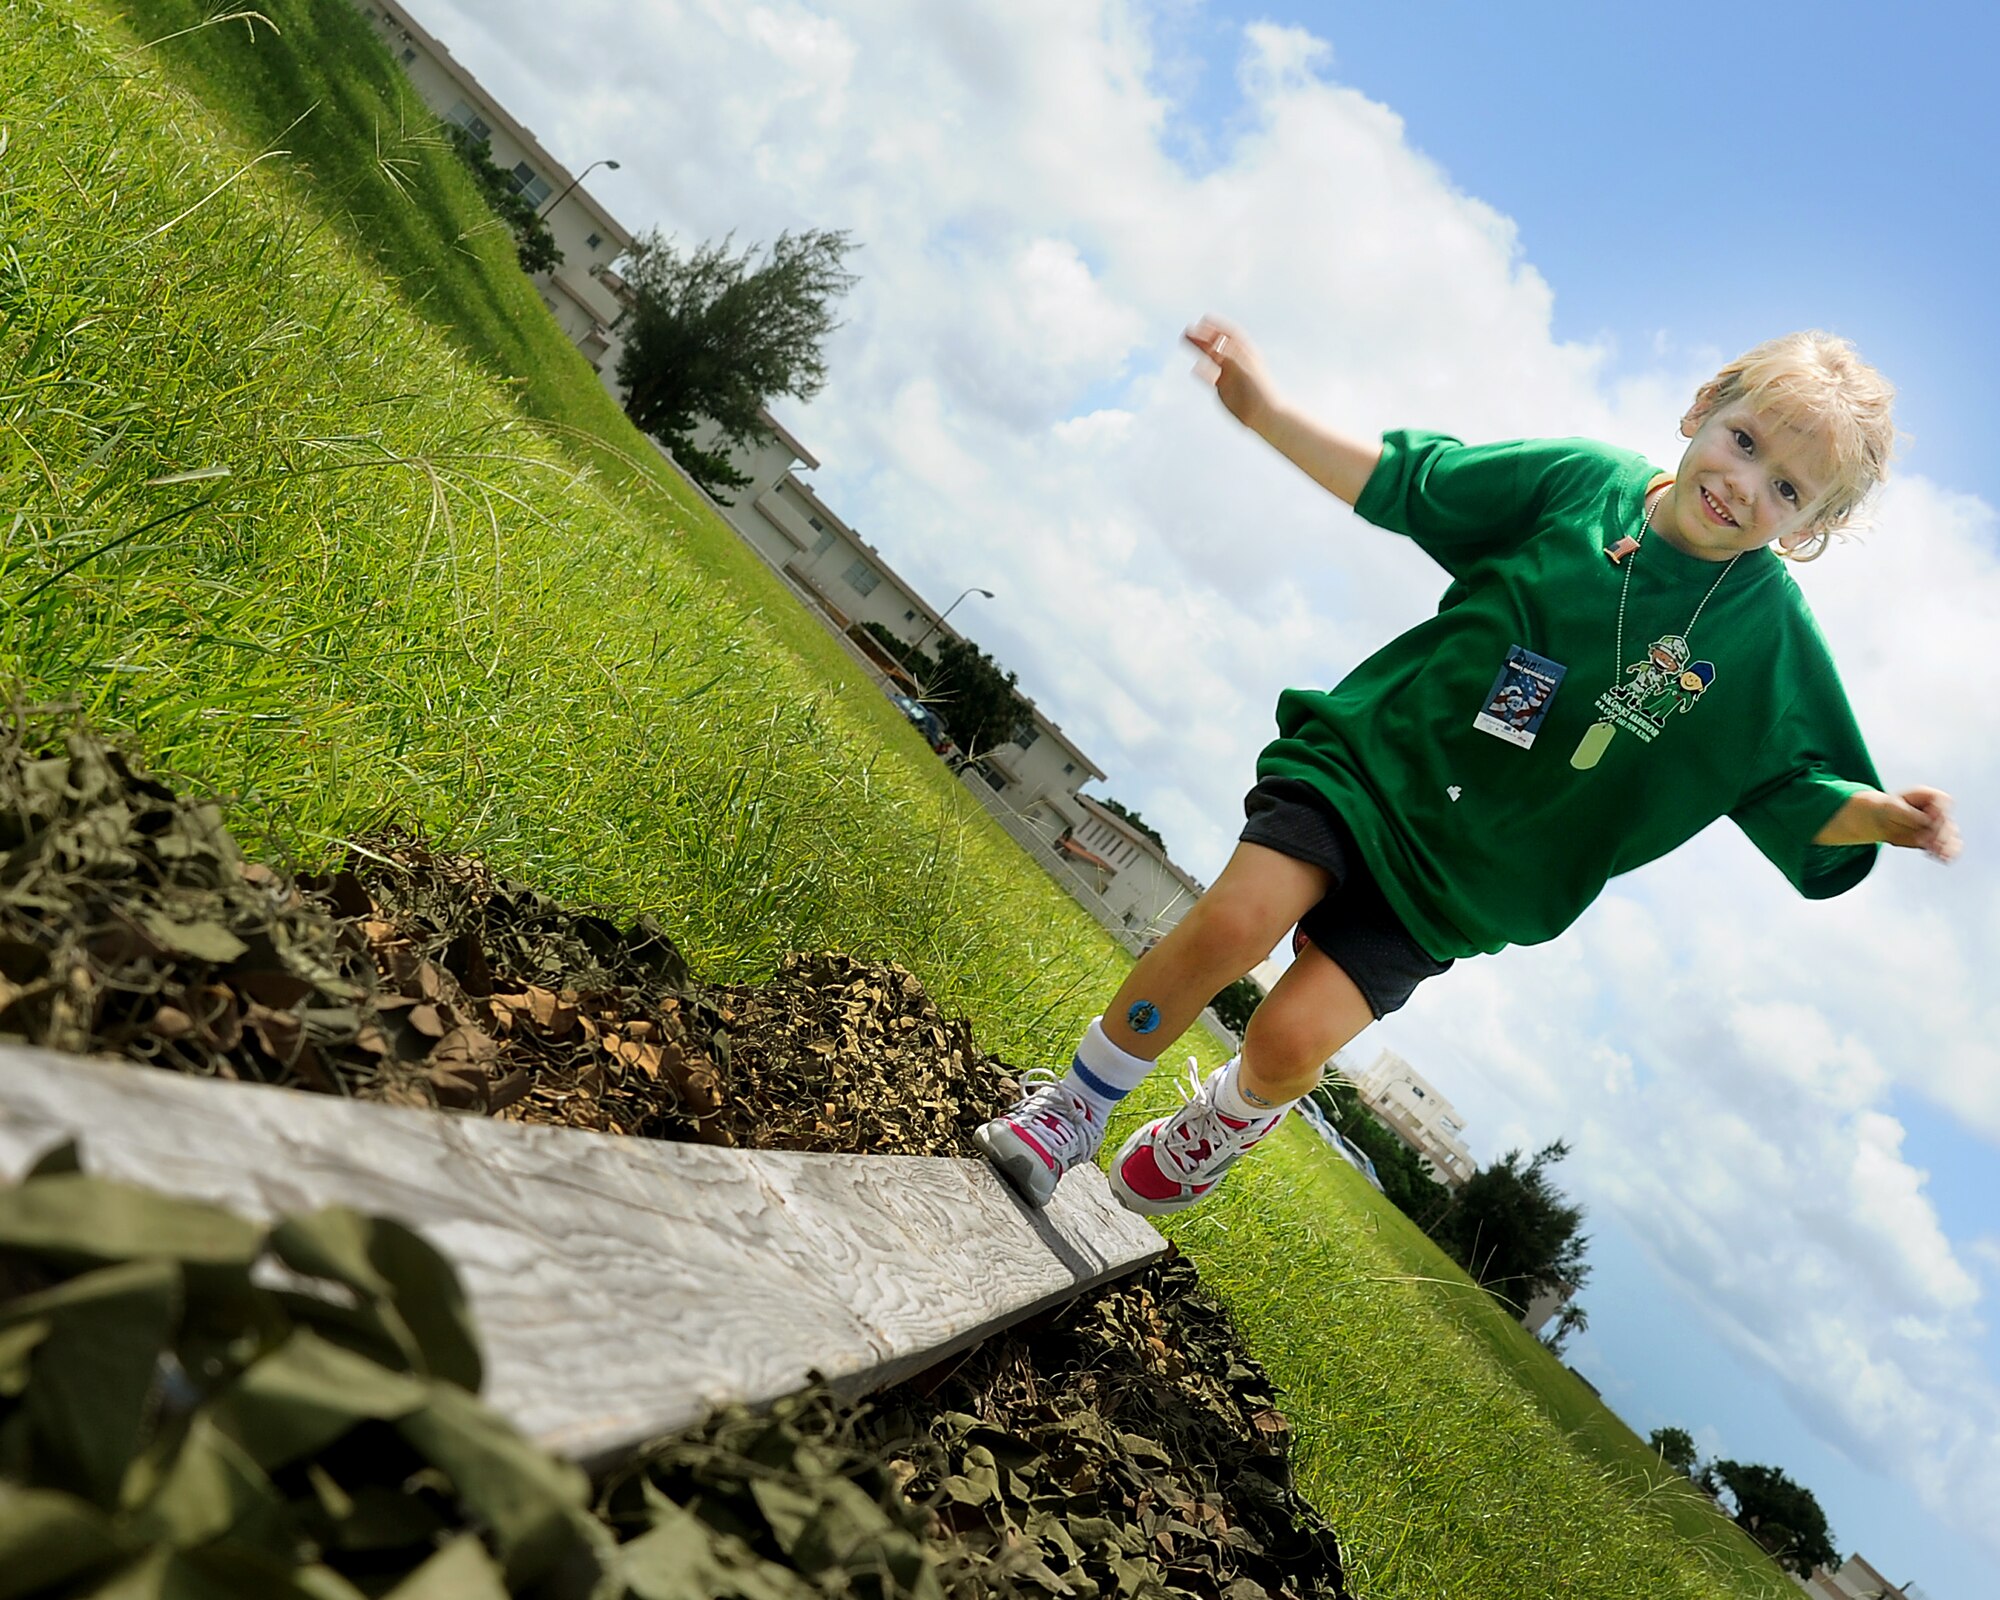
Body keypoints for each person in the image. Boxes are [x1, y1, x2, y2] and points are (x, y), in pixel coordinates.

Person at [975, 319, 1960, 1217]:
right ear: (1703, 409)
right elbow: (1416, 484)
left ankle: (1231, 1115)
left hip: (1469, 874)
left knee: (1283, 1042)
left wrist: (1885, 818)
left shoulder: (1767, 635)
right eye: (1744, 441)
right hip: (1378, 761)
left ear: (1807, 528)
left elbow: (1790, 788)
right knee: (1233, 921)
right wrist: (1268, 417)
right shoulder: (1581, 482)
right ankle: (1069, 1111)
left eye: (1786, 487)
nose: (1745, 483)